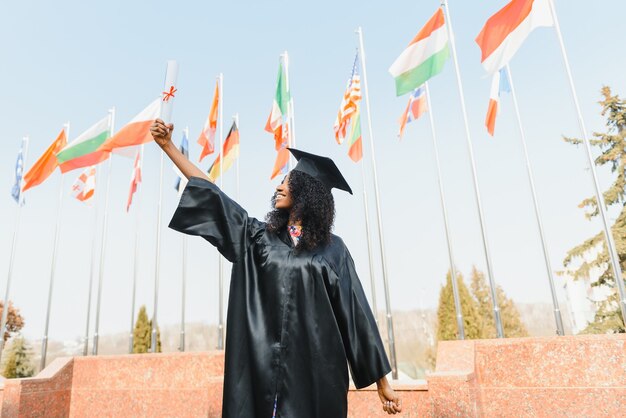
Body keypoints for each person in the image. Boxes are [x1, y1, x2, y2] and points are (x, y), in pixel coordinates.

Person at [151, 119, 402, 417]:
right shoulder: (258, 238)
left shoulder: (334, 250)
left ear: (307, 192)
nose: (279, 186)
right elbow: (212, 194)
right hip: (262, 370)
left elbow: (356, 314)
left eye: (288, 181)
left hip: (316, 374)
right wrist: (168, 147)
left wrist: (381, 382)